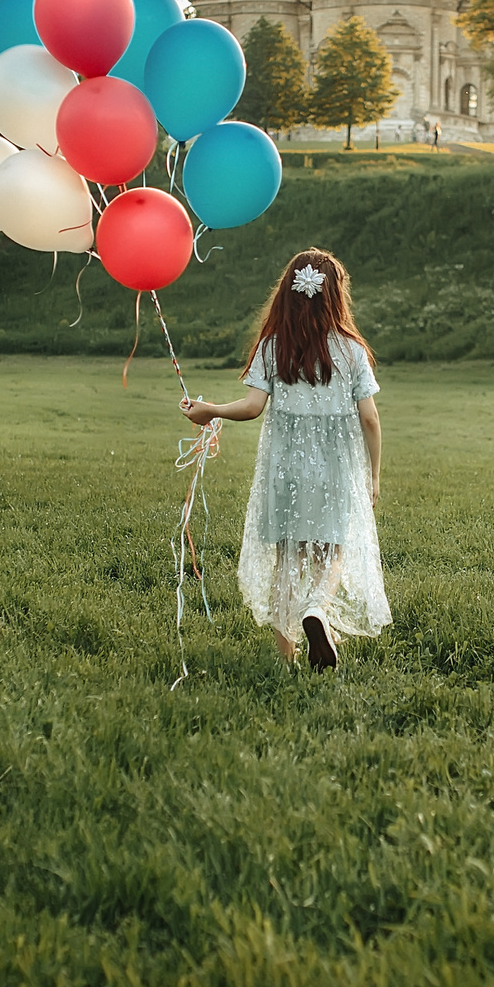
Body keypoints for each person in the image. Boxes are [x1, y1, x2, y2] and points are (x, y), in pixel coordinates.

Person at [181, 248, 389, 670]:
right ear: (335, 296)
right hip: (334, 469)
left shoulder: (274, 345)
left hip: (286, 468)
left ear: (287, 294)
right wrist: (374, 475)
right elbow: (369, 418)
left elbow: (252, 406)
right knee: (331, 553)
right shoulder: (351, 350)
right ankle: (316, 607)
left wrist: (212, 411)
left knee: (287, 559)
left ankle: (286, 655)